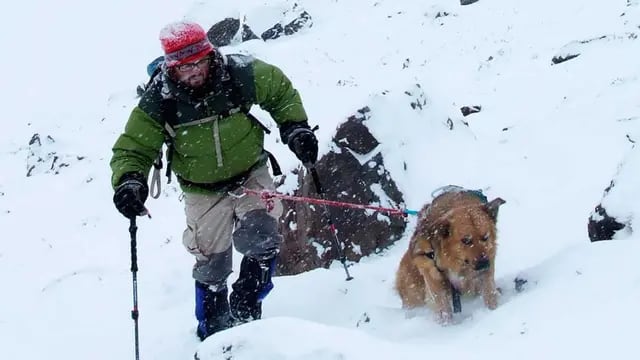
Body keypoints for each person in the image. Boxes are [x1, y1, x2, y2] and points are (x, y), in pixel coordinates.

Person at [110, 21, 318, 341]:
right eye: (184, 66)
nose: (194, 71)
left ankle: (248, 306)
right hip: (202, 190)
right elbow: (133, 148)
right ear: (171, 66)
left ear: (210, 54)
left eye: (200, 61)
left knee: (263, 236)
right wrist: (129, 182)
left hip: (251, 173)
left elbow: (280, 92)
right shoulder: (159, 99)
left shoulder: (239, 74)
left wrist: (296, 128)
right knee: (211, 263)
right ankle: (214, 330)